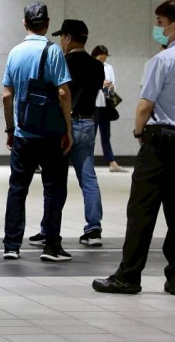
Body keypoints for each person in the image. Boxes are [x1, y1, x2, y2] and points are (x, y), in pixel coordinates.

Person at [94, 0, 175, 296]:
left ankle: (128, 276)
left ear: (174, 26)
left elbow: (145, 104)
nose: (156, 28)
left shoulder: (162, 60)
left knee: (142, 211)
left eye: (159, 23)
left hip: (160, 143)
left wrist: (138, 132)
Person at [1, 2, 73, 262]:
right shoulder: (53, 51)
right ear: (48, 22)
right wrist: (68, 128)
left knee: (17, 188)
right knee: (53, 189)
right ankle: (52, 246)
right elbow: (63, 92)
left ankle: (11, 245)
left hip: (23, 133)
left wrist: (10, 128)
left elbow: (7, 95)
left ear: (24, 23)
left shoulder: (15, 52)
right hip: (51, 134)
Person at [55, 20, 105, 247]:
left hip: (66, 125)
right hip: (87, 123)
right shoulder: (98, 66)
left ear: (68, 37)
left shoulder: (63, 62)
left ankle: (50, 229)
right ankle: (93, 229)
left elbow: (60, 94)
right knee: (88, 177)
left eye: (61, 37)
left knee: (56, 179)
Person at [92, 45, 127, 172]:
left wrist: (109, 86)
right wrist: (100, 83)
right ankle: (88, 161)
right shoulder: (90, 65)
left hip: (105, 103)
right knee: (92, 134)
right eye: (101, 58)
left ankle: (112, 162)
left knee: (106, 134)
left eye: (104, 58)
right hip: (93, 103)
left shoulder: (108, 68)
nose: (103, 61)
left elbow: (113, 87)